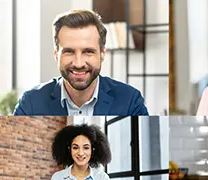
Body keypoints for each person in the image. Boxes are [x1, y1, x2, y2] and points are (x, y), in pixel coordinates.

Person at [13, 9, 148, 116]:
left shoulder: (129, 100)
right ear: (56, 55)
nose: (78, 63)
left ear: (102, 54)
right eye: (69, 51)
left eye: (88, 51)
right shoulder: (31, 102)